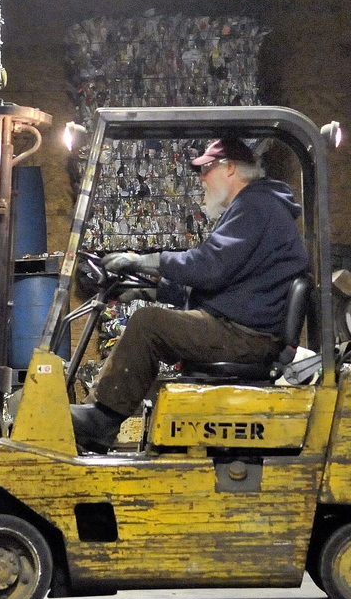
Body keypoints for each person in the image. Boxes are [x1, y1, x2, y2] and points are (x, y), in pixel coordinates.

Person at [71, 136, 310, 454]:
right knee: (151, 319)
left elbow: (210, 266)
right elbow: (221, 279)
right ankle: (103, 416)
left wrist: (148, 260)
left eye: (206, 169)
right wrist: (148, 287)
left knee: (148, 324)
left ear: (229, 168)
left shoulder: (256, 205)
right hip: (241, 326)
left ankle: (102, 421)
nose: (201, 178)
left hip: (244, 335)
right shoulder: (256, 205)